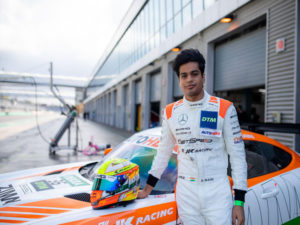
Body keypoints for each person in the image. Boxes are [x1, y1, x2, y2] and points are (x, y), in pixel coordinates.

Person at [138, 49, 247, 225]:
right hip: (186, 192)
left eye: (194, 74)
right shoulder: (170, 112)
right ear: (179, 80)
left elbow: (238, 156)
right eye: (184, 75)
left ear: (203, 77)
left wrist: (239, 201)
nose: (189, 79)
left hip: (217, 192)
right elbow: (163, 153)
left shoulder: (224, 108)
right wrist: (147, 188)